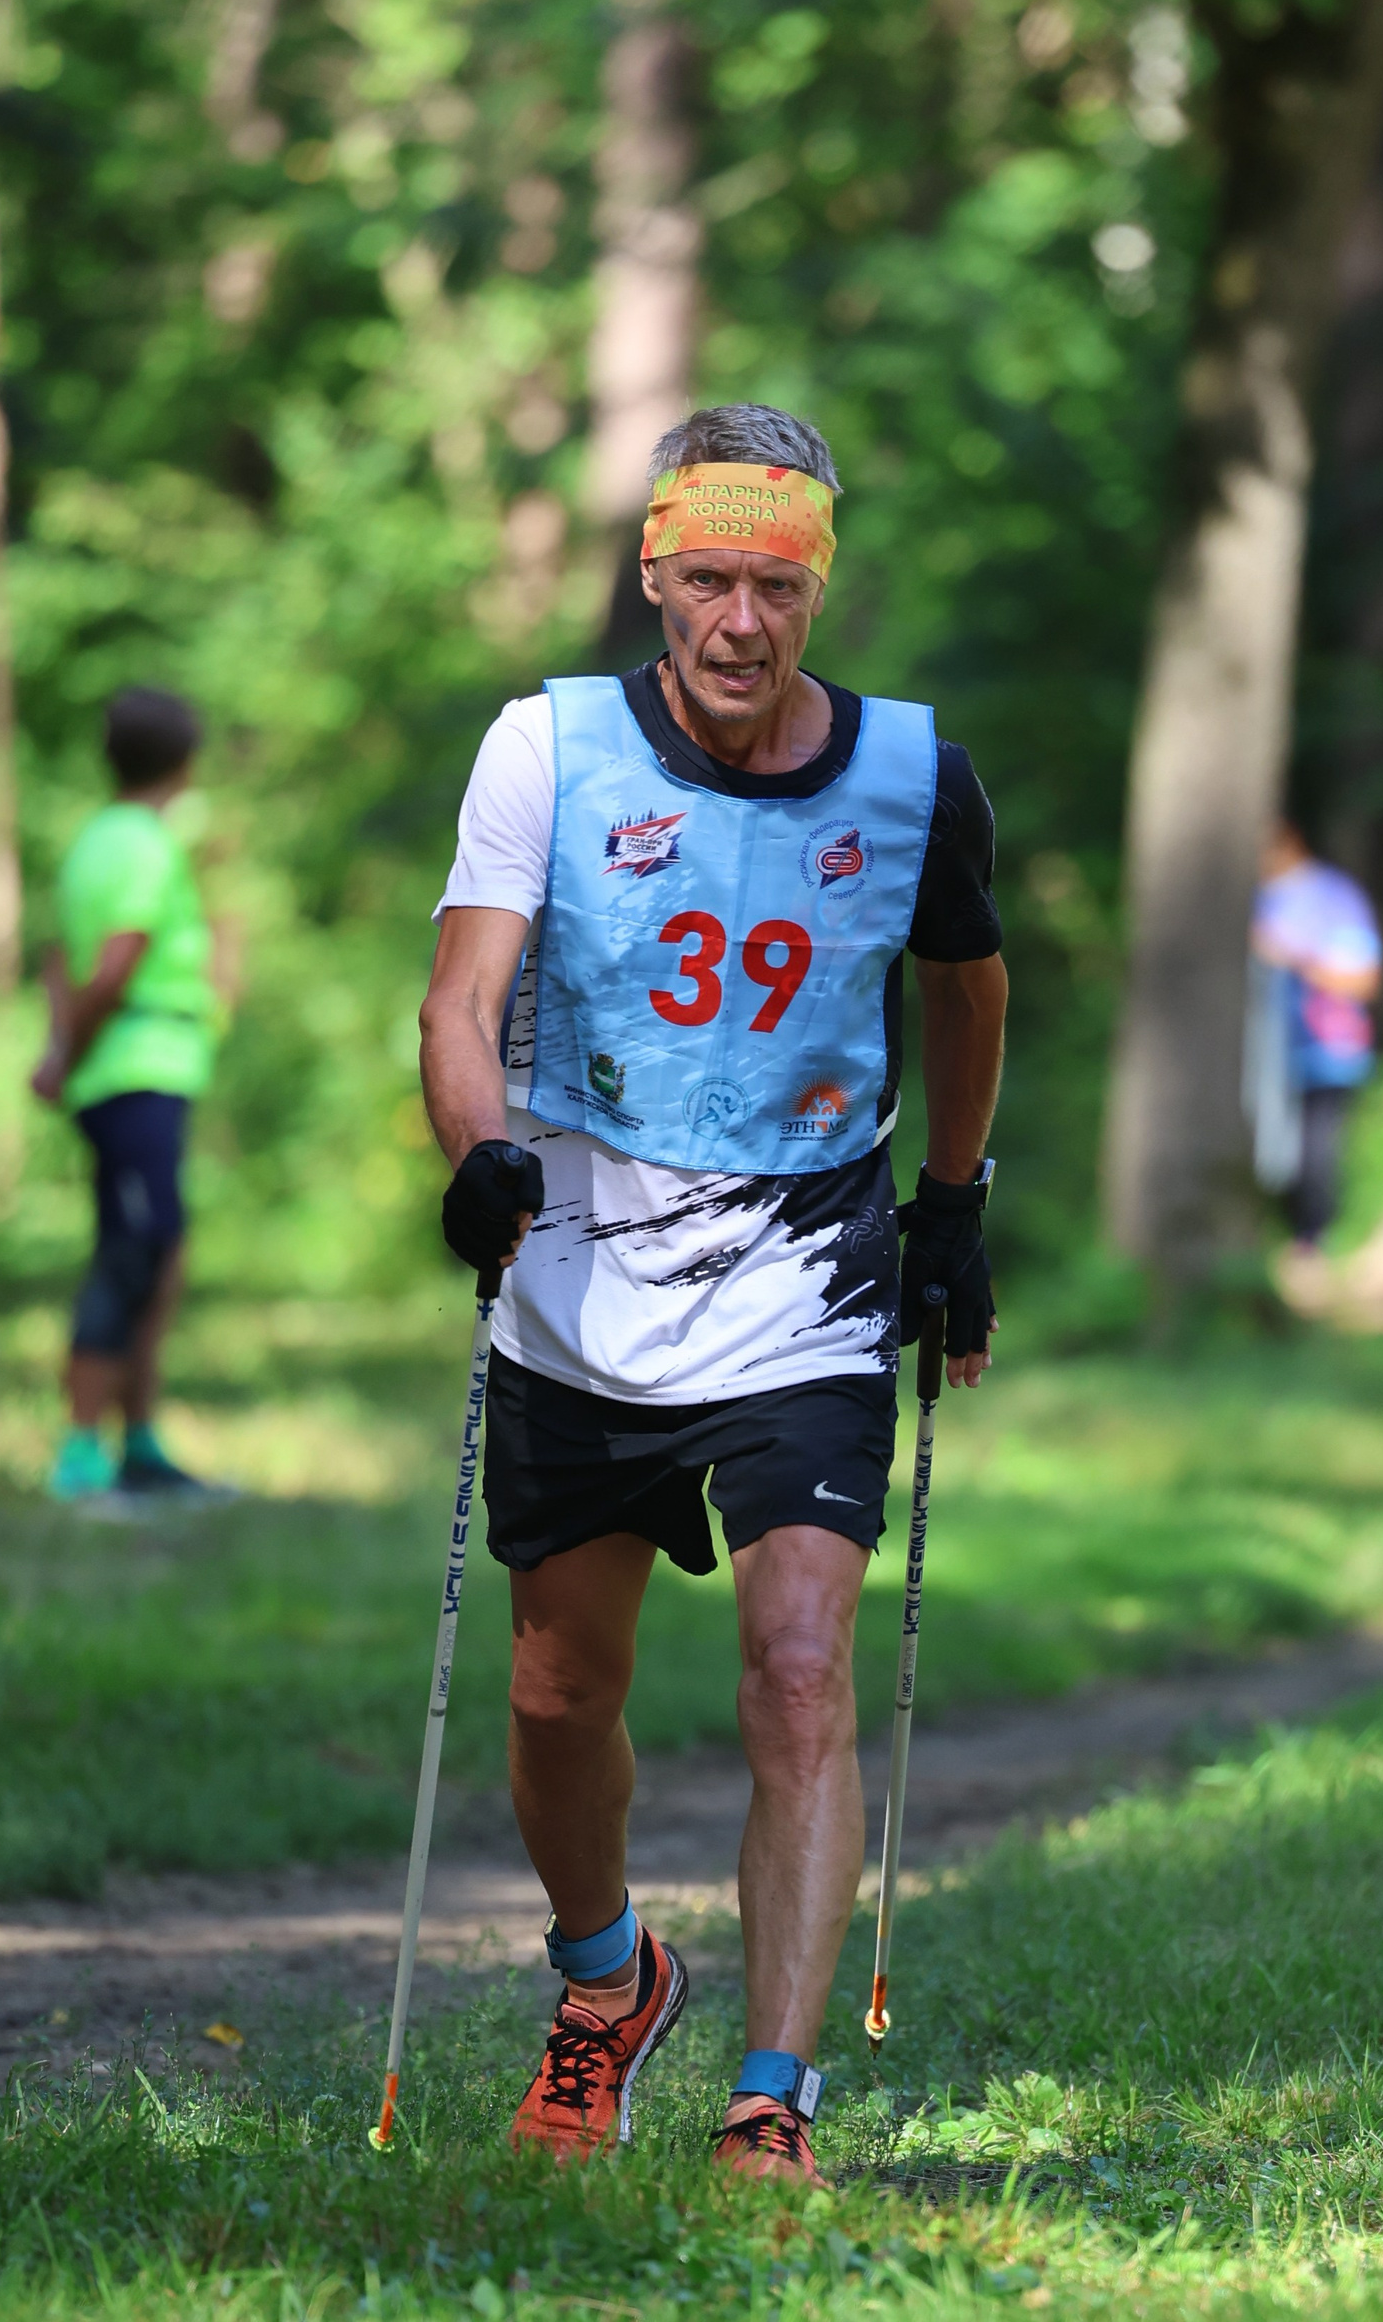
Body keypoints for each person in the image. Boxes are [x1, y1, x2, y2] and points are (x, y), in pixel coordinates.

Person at [418, 404, 1006, 2185]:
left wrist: (954, 1206)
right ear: (656, 574)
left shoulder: (914, 778)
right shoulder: (548, 747)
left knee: (801, 1670)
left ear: (818, 588)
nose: (742, 624)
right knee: (554, 1695)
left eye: (778, 587)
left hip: (802, 1282)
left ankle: (772, 2099)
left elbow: (968, 986)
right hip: (579, 1282)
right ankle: (609, 1981)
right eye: (709, 583)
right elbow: (462, 1001)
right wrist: (477, 1155)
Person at [30, 687, 230, 1501]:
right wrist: (64, 1055)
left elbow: (57, 958)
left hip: (140, 1072)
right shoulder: (146, 843)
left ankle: (139, 1444)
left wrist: (60, 1046)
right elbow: (114, 965)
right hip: (133, 1068)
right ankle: (81, 1454)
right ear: (186, 762)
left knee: (154, 1250)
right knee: (133, 1251)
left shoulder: (93, 841)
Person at [1249, 820, 1381, 1252]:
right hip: (1262, 1060)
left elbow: (1361, 979)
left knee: (1316, 1149)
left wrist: (1291, 958)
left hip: (1326, 1050)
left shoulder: (1334, 898)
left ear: (1289, 842)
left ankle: (1311, 1243)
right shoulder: (1255, 899)